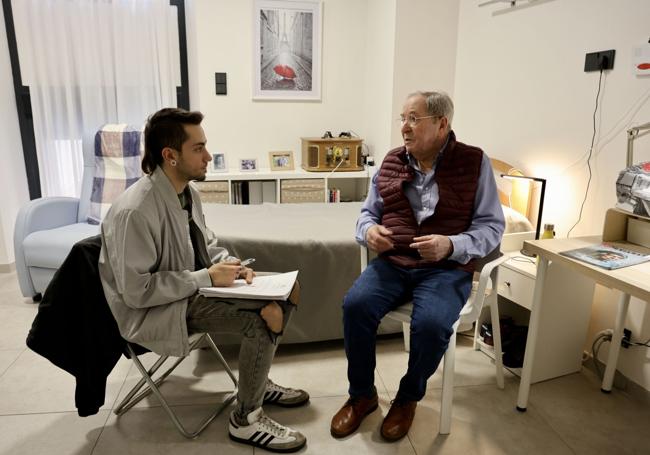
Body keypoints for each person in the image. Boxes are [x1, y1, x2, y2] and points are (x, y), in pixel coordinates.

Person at [99, 108, 308, 453]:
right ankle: (245, 419)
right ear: (170, 156)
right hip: (157, 309)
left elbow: (205, 245)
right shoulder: (135, 211)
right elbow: (136, 293)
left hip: (193, 288)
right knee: (263, 317)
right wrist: (205, 276)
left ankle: (256, 384)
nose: (208, 156)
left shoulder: (187, 192)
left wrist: (230, 265)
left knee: (290, 290)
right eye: (198, 148)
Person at [330, 91, 505, 442]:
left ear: (442, 124)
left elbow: (492, 226)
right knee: (356, 306)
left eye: (414, 118)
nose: (404, 128)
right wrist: (370, 232)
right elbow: (367, 214)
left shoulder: (474, 162)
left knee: (431, 324)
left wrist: (451, 245)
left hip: (446, 269)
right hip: (394, 263)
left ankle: (407, 398)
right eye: (403, 118)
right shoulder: (391, 161)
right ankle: (362, 394)